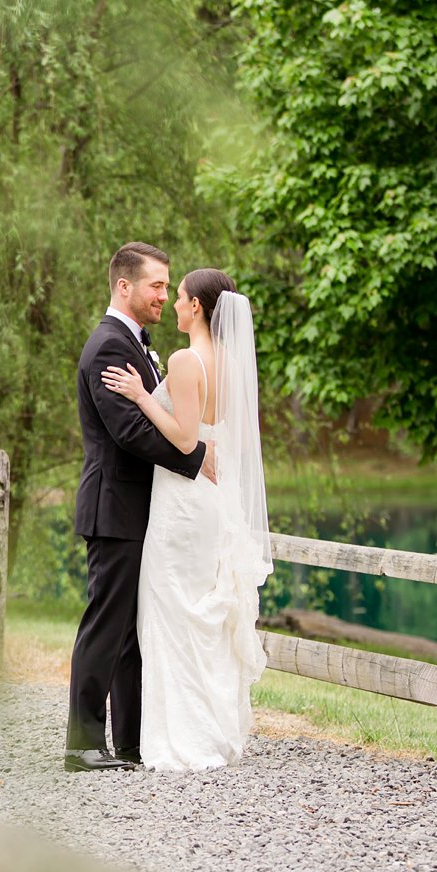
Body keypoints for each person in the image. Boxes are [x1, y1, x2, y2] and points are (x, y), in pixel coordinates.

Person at [100, 268, 273, 771]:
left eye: (178, 297)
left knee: (171, 607)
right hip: (216, 504)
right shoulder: (231, 364)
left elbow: (183, 439)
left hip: (183, 500)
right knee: (202, 611)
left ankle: (182, 738)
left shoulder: (185, 360)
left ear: (197, 306)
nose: (172, 304)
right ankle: (213, 730)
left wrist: (139, 398)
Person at [64, 242, 210, 773]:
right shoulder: (108, 346)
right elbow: (128, 432)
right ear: (124, 286)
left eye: (168, 287)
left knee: (130, 630)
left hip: (138, 509)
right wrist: (195, 457)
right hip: (114, 507)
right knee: (106, 625)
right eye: (156, 285)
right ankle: (82, 745)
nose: (164, 296)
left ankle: (129, 742)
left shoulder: (135, 345)